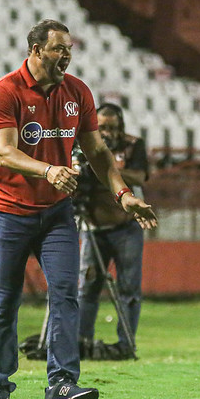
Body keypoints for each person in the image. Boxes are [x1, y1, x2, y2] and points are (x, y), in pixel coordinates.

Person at [0, 19, 158, 399]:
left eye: (69, 49)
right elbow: (5, 151)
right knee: (5, 297)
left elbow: (97, 153)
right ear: (35, 49)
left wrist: (123, 194)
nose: (66, 55)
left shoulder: (77, 92)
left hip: (56, 214)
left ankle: (60, 383)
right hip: (10, 210)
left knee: (66, 292)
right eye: (59, 48)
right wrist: (49, 170)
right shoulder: (3, 91)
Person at [75, 103, 149, 360]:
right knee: (87, 287)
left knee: (129, 288)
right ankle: (81, 342)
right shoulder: (83, 145)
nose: (108, 133)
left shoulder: (132, 144)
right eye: (102, 127)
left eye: (113, 127)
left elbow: (140, 177)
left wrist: (103, 166)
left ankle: (125, 343)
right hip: (93, 227)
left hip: (126, 227)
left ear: (122, 127)